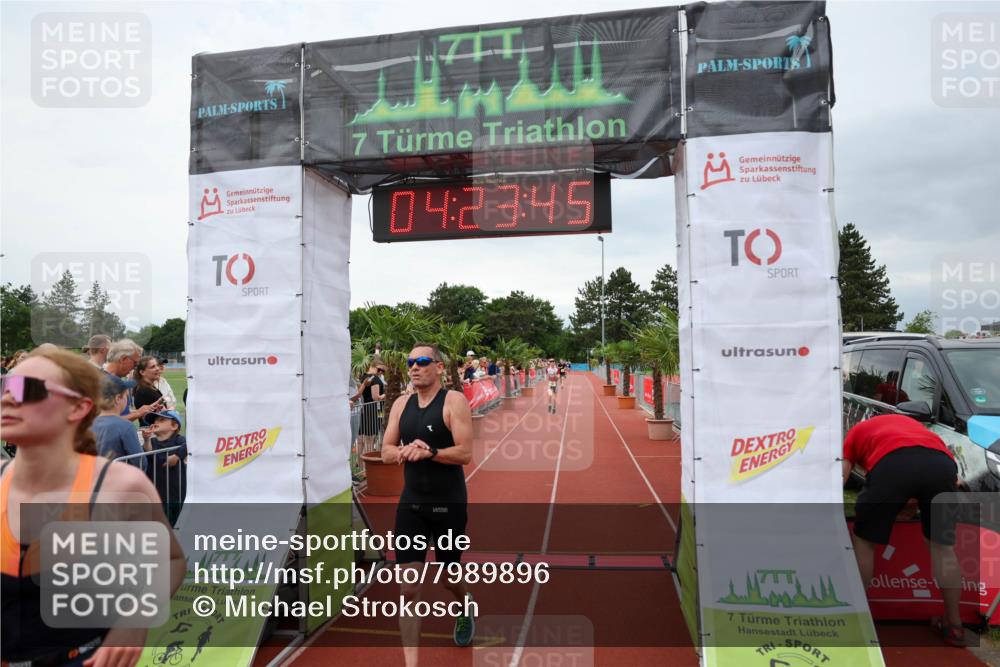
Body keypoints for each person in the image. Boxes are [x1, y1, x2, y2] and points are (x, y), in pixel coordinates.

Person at [1, 347, 184, 667]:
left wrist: (135, 620)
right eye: (5, 386)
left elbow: (170, 560)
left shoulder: (120, 486)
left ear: (78, 407)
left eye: (26, 389)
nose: (7, 398)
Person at [381, 343, 476, 665]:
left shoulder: (453, 401)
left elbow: (465, 453)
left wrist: (431, 452)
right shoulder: (400, 404)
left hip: (448, 504)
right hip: (411, 506)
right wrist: (406, 451)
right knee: (408, 590)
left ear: (438, 367)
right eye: (410, 362)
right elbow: (385, 452)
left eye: (422, 361)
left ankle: (465, 607)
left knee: (450, 577)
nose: (414, 367)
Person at [843, 414, 963, 646]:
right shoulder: (918, 429)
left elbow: (842, 475)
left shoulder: (855, 433)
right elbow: (947, 480)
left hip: (892, 462)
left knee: (864, 541)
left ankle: (855, 620)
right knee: (942, 547)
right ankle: (955, 625)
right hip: (942, 464)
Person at [92, 374, 148, 471]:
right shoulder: (125, 426)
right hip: (115, 481)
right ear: (118, 399)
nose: (127, 398)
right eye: (126, 395)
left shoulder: (87, 424)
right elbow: (139, 462)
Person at [145, 410, 187, 525]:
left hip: (177, 494)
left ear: (174, 426)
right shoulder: (152, 441)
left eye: (162, 420)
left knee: (178, 525)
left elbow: (191, 443)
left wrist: (178, 455)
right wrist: (146, 439)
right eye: (155, 420)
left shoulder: (179, 440)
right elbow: (148, 453)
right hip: (157, 495)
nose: (156, 422)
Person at [353, 362, 385, 456]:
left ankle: (361, 466)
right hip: (373, 411)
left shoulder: (363, 377)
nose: (381, 373)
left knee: (361, 440)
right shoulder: (375, 379)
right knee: (369, 440)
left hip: (364, 410)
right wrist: (386, 394)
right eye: (381, 371)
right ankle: (366, 467)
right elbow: (376, 397)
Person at [132, 356, 165, 425]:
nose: (158, 369)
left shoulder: (148, 387)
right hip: (152, 432)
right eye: (152, 367)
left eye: (157, 366)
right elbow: (150, 419)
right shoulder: (144, 391)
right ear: (142, 372)